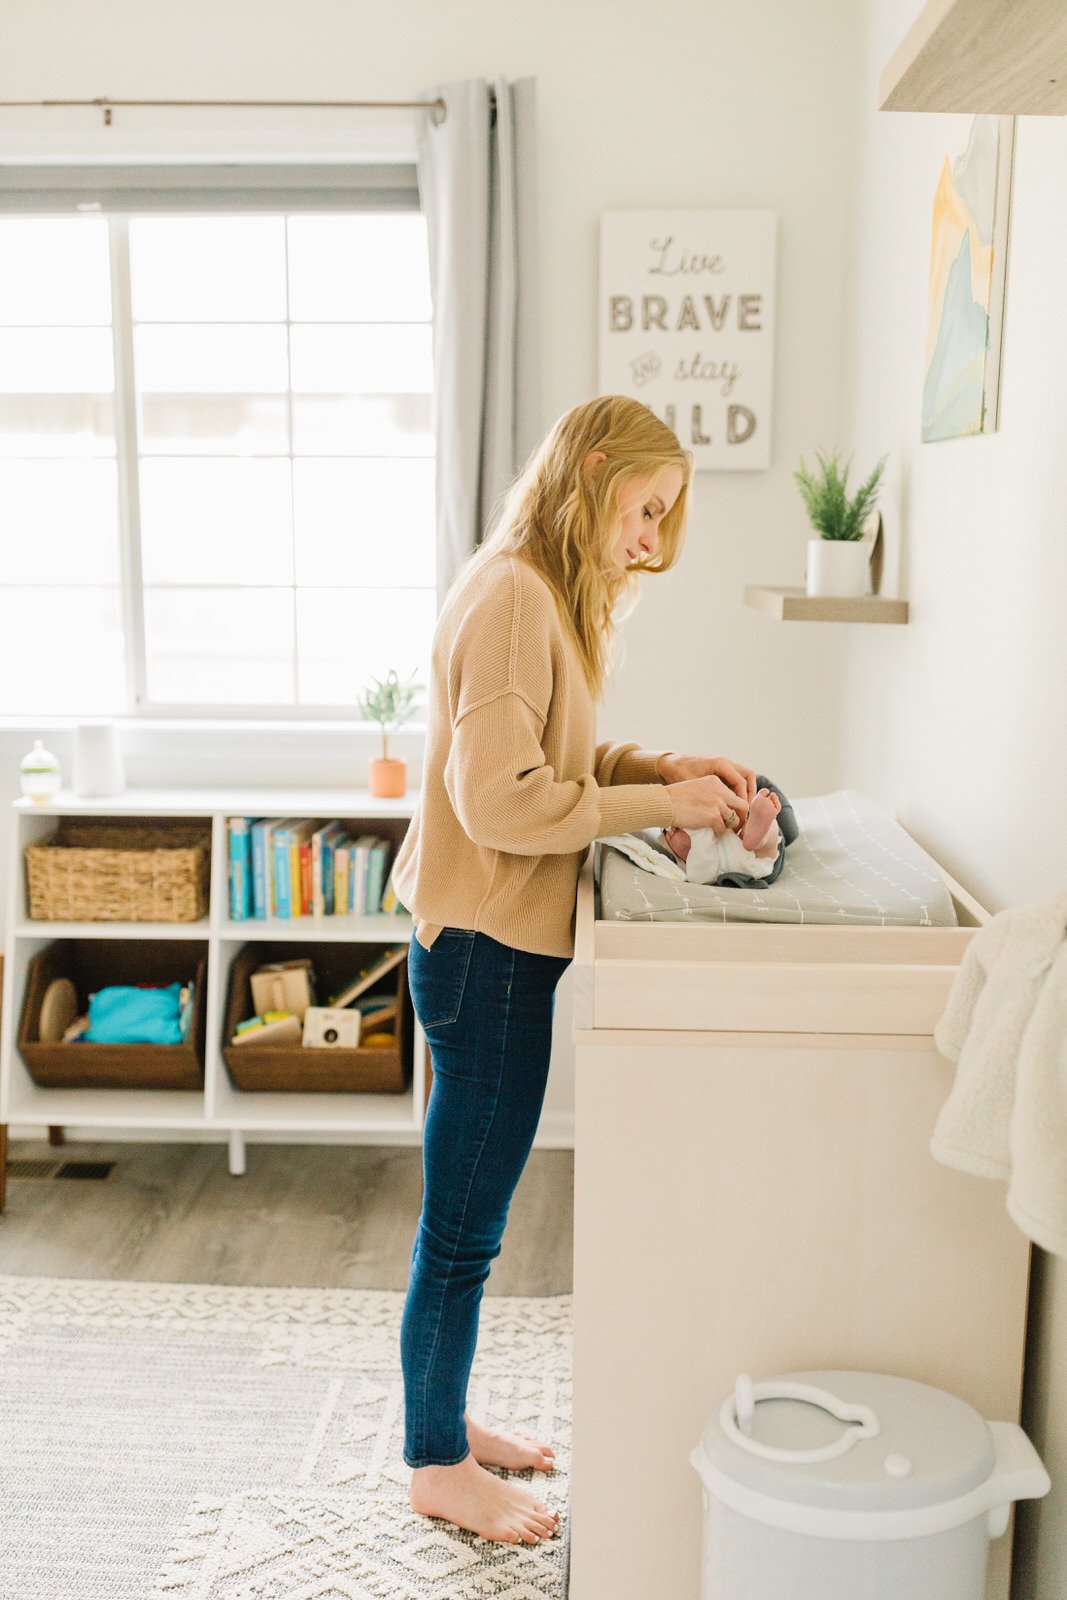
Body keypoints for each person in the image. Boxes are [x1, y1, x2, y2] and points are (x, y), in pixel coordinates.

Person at [390, 394, 760, 1546]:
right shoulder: (513, 595)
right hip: (489, 951)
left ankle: (443, 1425)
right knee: (462, 1230)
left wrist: (660, 764)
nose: (649, 539)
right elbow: (499, 797)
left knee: (467, 1222)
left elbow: (553, 752)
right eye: (645, 509)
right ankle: (436, 1464)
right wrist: (658, 804)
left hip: (483, 943)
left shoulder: (529, 587)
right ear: (593, 469)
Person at [661, 774, 799, 887]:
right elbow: (699, 877)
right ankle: (760, 833)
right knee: (780, 831)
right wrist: (697, 833)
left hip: (741, 841)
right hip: (758, 860)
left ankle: (756, 830)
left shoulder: (699, 857)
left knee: (747, 830)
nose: (672, 830)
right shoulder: (696, 864)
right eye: (670, 831)